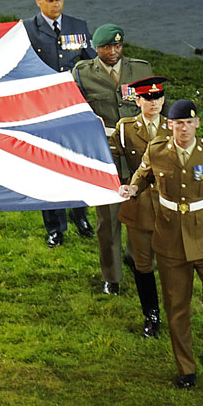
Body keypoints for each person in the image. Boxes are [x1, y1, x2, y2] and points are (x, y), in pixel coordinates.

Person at [119, 100, 203, 389]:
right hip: (170, 239)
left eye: (189, 123)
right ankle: (186, 368)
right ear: (170, 125)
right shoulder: (157, 150)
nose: (184, 129)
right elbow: (143, 174)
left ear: (197, 124)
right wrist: (134, 188)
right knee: (177, 307)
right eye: (178, 124)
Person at [73, 24, 152, 294]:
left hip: (139, 154)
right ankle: (112, 276)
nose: (114, 51)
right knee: (108, 221)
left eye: (118, 46)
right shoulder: (83, 73)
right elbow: (75, 110)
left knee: (142, 215)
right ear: (96, 49)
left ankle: (137, 259)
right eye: (107, 47)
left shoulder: (140, 70)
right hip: (106, 155)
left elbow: (156, 106)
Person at [24, 0, 96, 247]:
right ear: (38, 0)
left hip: (74, 107)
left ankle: (81, 214)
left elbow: (91, 63)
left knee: (77, 161)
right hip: (43, 110)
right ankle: (55, 226)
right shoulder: (26, 30)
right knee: (48, 167)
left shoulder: (78, 26)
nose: (55, 4)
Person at [109, 76, 171, 337]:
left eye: (158, 97)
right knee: (142, 264)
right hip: (141, 204)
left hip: (170, 204)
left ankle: (175, 309)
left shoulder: (174, 126)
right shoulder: (126, 128)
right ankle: (151, 315)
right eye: (148, 98)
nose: (154, 103)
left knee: (172, 262)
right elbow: (109, 154)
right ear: (137, 101)